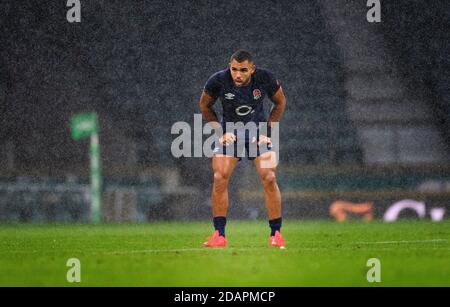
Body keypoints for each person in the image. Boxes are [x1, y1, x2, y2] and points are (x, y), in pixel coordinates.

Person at [198, 50, 287, 247]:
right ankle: (219, 235)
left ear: (252, 69)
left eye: (243, 70)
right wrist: (220, 132)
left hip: (258, 135)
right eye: (234, 69)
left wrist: (266, 131)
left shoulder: (265, 78)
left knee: (269, 177)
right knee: (219, 176)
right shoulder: (218, 80)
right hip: (230, 134)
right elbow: (205, 106)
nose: (237, 74)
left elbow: (280, 103)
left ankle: (276, 233)